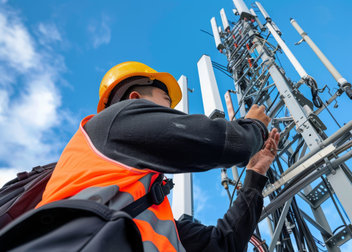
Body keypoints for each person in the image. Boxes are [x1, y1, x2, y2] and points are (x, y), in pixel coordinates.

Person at [37, 61, 280, 252]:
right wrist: (254, 127)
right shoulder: (112, 122)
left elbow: (224, 243)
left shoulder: (151, 217)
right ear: (135, 99)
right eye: (166, 104)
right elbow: (221, 142)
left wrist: (254, 175)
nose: (172, 115)